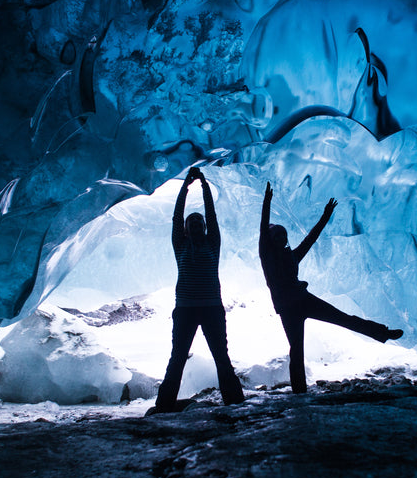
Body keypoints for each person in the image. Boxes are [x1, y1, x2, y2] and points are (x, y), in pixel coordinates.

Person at [259, 182, 403, 393]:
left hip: (304, 300)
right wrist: (267, 202)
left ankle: (382, 333)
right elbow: (263, 230)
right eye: (277, 236)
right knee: (296, 350)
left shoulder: (292, 256)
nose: (281, 238)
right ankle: (299, 391)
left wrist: (326, 216)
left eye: (283, 235)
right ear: (271, 240)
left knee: (344, 318)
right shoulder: (267, 256)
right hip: (287, 309)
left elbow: (311, 238)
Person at [152, 167, 245, 414]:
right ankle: (163, 406)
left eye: (198, 220)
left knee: (221, 357)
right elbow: (176, 217)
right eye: (190, 220)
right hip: (185, 310)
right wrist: (185, 187)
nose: (194, 221)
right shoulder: (180, 245)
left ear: (204, 227)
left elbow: (212, 216)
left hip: (212, 308)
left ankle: (235, 402)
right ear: (185, 228)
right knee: (178, 358)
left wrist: (203, 186)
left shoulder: (212, 243)